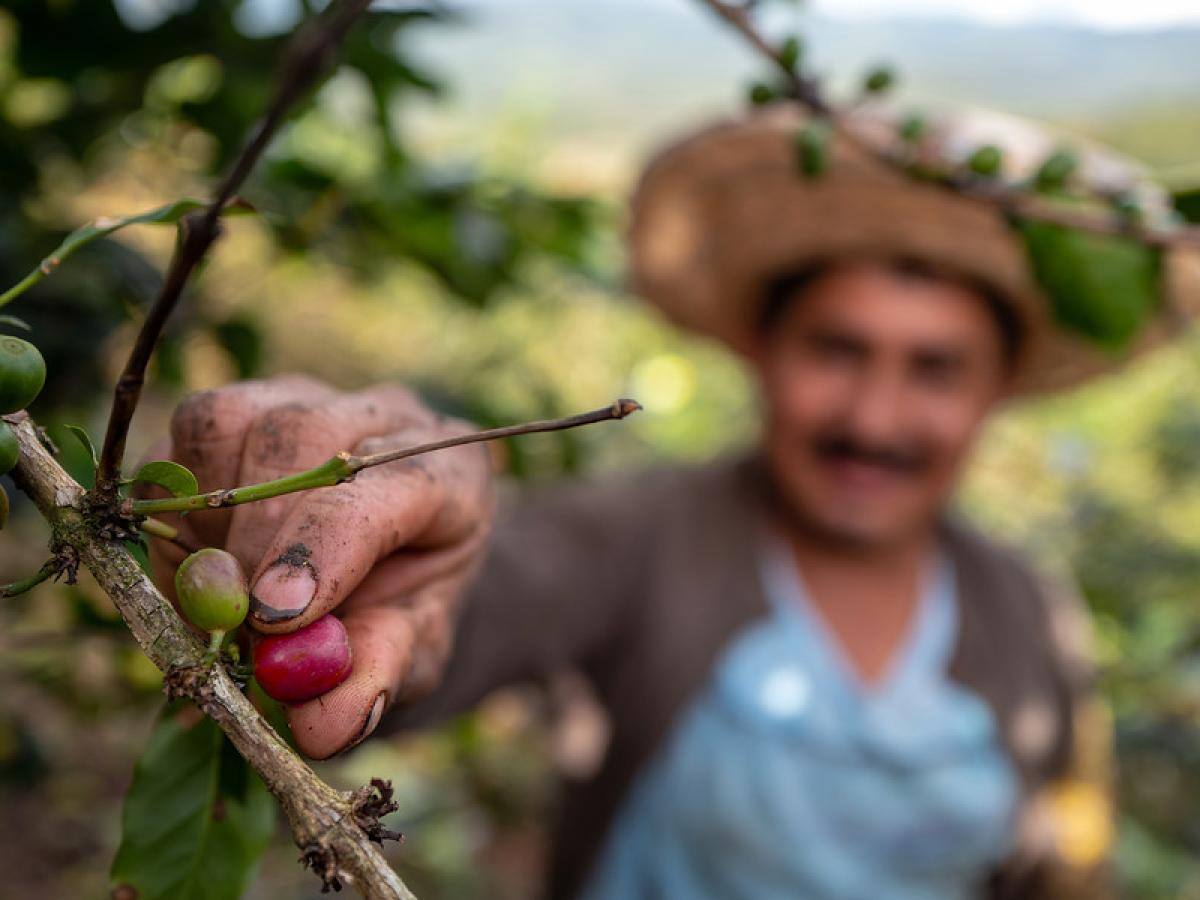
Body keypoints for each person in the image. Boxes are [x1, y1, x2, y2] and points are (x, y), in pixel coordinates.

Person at [144, 105, 1200, 899]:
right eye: (838, 349)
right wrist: (377, 573)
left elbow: (1061, 863)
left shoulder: (1025, 606)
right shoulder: (637, 536)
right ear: (763, 351)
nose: (876, 416)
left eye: (935, 368)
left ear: (992, 394)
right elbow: (477, 603)